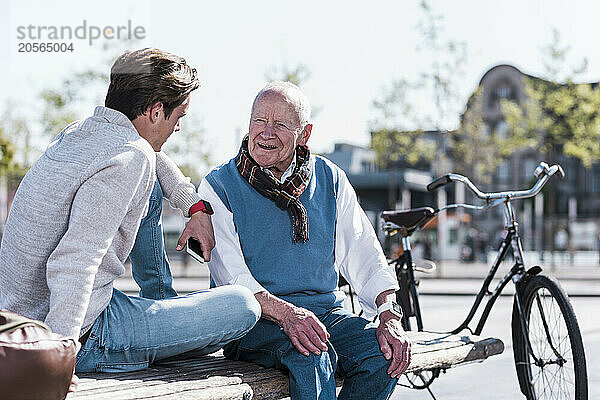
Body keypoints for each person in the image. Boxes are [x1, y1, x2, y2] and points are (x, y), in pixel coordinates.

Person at [0, 48, 260, 376]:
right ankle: (145, 333)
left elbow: (150, 156)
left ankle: (160, 304)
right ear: (155, 111)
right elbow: (75, 260)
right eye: (178, 116)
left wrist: (193, 207)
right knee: (243, 306)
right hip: (81, 333)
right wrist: (58, 359)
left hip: (23, 314)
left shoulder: (82, 132)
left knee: (149, 184)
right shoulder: (129, 158)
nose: (178, 127)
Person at [199, 82, 411, 400]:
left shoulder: (330, 178)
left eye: (281, 125)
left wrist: (389, 316)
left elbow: (365, 252)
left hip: (325, 314)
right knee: (312, 354)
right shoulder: (219, 186)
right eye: (259, 120)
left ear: (305, 133)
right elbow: (234, 280)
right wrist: (288, 315)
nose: (266, 133)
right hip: (253, 322)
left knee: (384, 355)